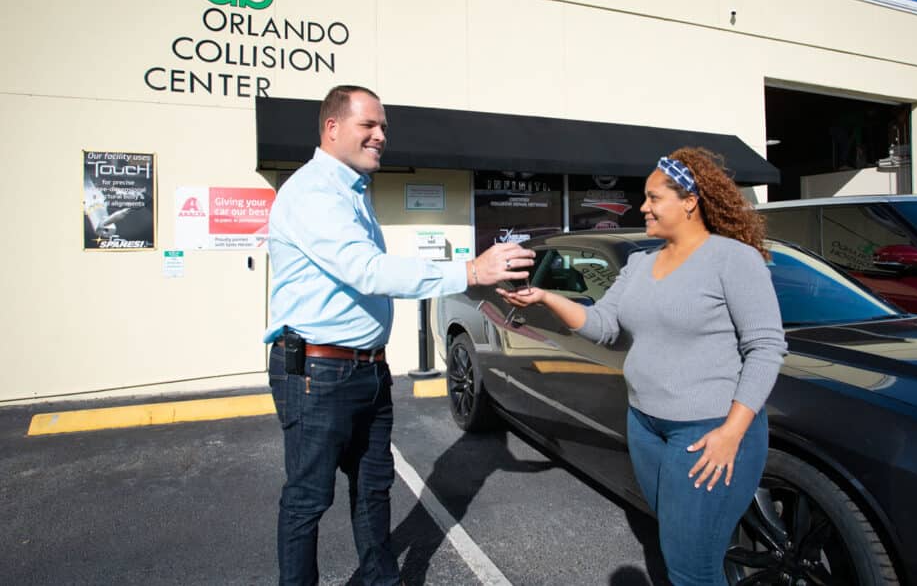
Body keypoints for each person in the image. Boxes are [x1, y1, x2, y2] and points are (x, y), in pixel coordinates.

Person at [263, 84, 534, 586]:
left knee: (373, 487)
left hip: (365, 369)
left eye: (383, 126)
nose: (381, 136)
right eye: (369, 125)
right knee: (308, 499)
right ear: (333, 127)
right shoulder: (312, 193)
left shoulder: (352, 193)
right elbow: (367, 271)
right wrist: (471, 271)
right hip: (318, 373)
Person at [499, 147, 786, 585]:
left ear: (689, 201)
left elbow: (766, 348)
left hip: (706, 431)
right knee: (676, 545)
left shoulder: (733, 259)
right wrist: (546, 298)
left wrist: (732, 432)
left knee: (693, 567)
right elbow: (603, 326)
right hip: (646, 426)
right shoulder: (640, 262)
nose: (642, 206)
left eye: (653, 198)